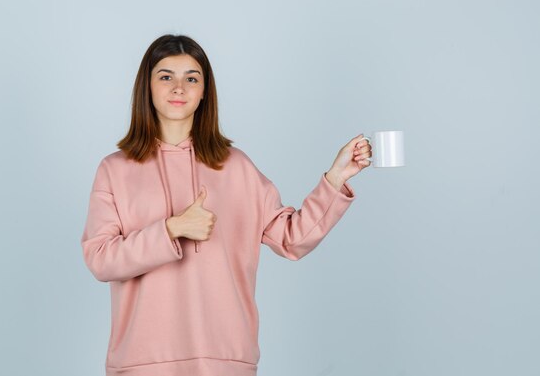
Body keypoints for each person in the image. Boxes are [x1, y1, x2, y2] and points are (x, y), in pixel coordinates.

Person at [80, 34, 372, 376]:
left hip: (225, 361)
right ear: (147, 86)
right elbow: (100, 259)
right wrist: (172, 228)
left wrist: (335, 178)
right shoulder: (115, 169)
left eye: (191, 78)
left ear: (204, 92)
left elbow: (293, 239)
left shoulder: (236, 167)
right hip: (142, 363)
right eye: (165, 76)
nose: (179, 88)